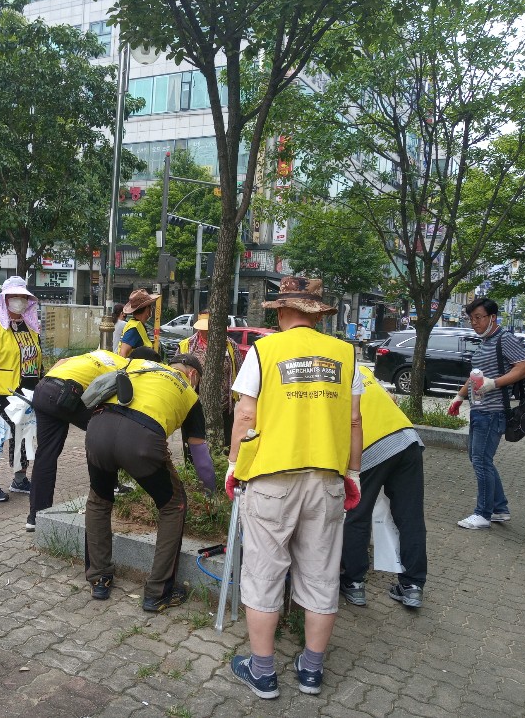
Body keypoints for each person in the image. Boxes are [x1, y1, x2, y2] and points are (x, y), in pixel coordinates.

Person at [226, 276, 363, 700]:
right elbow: (355, 420)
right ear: (318, 315)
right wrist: (353, 473)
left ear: (283, 312)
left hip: (271, 479)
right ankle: (311, 671)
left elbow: (245, 415)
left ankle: (263, 673)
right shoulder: (346, 354)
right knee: (322, 575)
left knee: (264, 572)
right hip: (325, 480)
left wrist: (234, 465)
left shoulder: (265, 350)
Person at [83, 353, 217, 612]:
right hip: (141, 441)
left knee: (99, 500)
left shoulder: (139, 366)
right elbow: (200, 456)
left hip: (98, 429)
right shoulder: (188, 393)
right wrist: (211, 491)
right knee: (173, 505)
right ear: (192, 374)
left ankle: (99, 578)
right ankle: (158, 592)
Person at [25, 346, 161, 532]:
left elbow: (61, 362)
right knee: (106, 434)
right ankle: (109, 488)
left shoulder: (102, 355)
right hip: (66, 393)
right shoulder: (129, 369)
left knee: (45, 455)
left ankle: (35, 518)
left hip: (44, 389)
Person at [340, 365, 427, 609]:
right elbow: (391, 398)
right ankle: (413, 585)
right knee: (410, 517)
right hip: (406, 439)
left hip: (368, 447)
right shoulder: (359, 369)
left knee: (356, 513)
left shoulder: (327, 377)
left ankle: (354, 582)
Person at [449, 297, 525, 529]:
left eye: (478, 318)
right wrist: (459, 396)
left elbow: (524, 368)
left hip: (493, 412)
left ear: (492, 317)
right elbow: (475, 375)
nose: (474, 323)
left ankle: (483, 514)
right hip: (479, 410)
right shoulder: (484, 342)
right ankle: (499, 508)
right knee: (480, 460)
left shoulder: (504, 339)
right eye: (471, 318)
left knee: (481, 461)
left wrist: (494, 383)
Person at [0, 276, 43, 502]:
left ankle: (20, 478)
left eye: (23, 296)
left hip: (27, 394)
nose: (19, 301)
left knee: (22, 438)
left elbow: (38, 360)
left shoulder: (31, 327)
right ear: (5, 299)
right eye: (14, 296)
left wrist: (41, 385)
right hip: (2, 394)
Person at [178, 311, 243, 447]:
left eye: (207, 329)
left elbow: (240, 369)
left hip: (224, 406)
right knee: (193, 442)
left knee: (223, 443)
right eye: (202, 328)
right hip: (194, 404)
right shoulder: (187, 345)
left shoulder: (230, 345)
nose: (204, 332)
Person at [118, 289, 160, 357]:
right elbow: (122, 354)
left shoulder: (138, 325)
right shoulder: (134, 328)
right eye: (151, 307)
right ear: (147, 309)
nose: (152, 309)